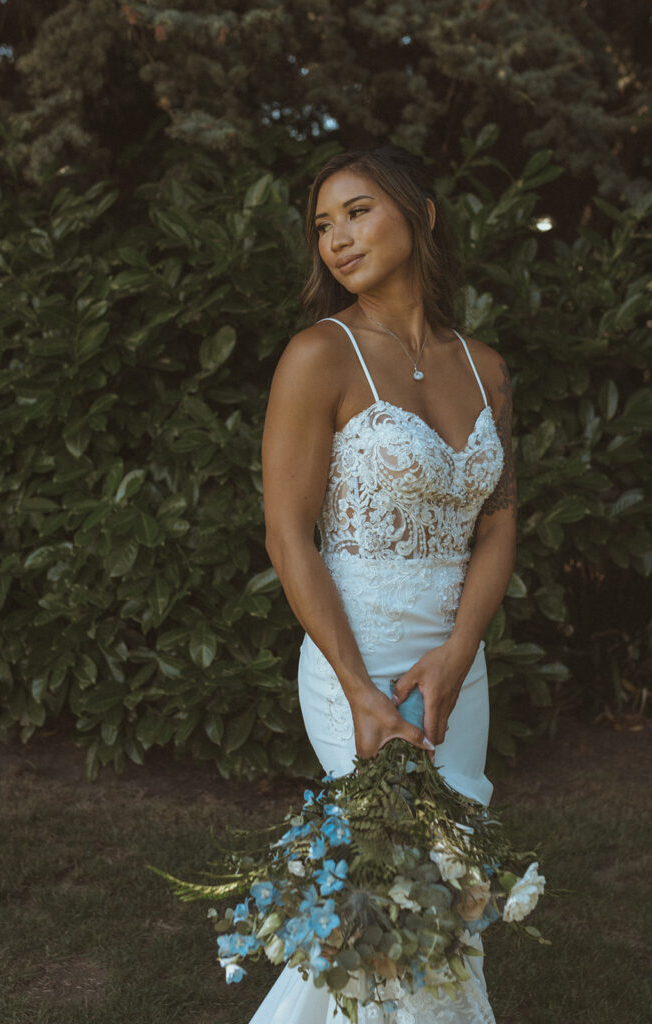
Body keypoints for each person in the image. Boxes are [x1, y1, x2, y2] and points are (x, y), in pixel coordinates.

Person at [252, 146, 517, 1024]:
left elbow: (497, 522)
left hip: (454, 668)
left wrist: (457, 652)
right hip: (352, 667)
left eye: (357, 212)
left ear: (423, 214)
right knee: (389, 896)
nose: (336, 238)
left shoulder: (484, 367)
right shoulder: (317, 357)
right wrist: (360, 689)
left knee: (447, 896)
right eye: (322, 225)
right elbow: (289, 538)